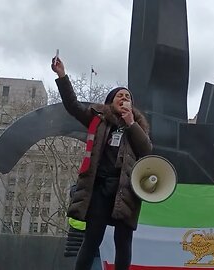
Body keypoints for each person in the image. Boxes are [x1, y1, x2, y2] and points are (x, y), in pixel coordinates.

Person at [51, 57, 152, 270]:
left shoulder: (138, 125)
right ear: (111, 101)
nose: (124, 98)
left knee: (123, 242)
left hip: (125, 190)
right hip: (99, 190)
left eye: (127, 96)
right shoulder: (99, 120)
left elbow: (146, 150)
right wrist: (62, 76)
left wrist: (131, 123)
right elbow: (73, 106)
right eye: (119, 96)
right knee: (91, 239)